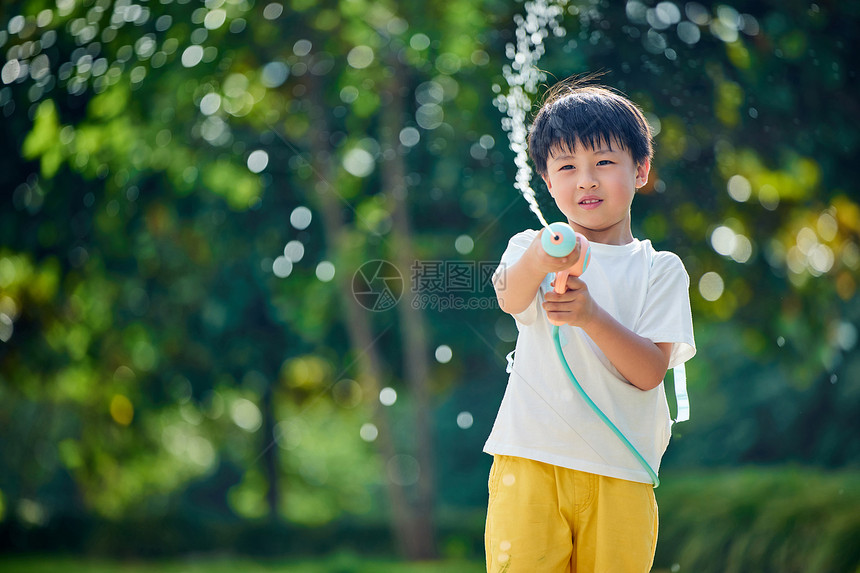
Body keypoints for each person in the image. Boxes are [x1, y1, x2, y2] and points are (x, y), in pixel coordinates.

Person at [484, 79, 696, 572]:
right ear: (547, 180)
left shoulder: (660, 269)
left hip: (620, 471)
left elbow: (648, 372)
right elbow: (510, 295)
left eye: (603, 162)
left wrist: (591, 317)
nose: (586, 180)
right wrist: (539, 257)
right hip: (531, 458)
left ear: (640, 170)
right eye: (567, 167)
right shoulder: (530, 247)